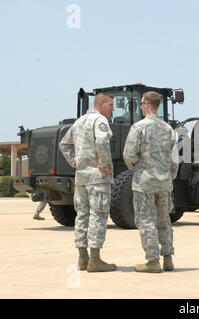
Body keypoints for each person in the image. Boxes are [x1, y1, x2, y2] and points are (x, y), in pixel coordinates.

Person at [59, 92, 117, 272]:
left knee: (82, 214)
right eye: (110, 104)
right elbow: (101, 141)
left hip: (81, 177)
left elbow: (64, 144)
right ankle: (95, 259)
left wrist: (76, 162)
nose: (113, 108)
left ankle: (82, 258)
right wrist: (106, 164)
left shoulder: (79, 122)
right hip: (97, 177)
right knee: (98, 215)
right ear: (101, 104)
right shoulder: (99, 121)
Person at [123, 91, 179, 273]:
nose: (140, 106)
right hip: (164, 183)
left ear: (147, 104)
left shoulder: (138, 127)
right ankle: (168, 258)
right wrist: (169, 177)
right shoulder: (168, 129)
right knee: (164, 221)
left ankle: (153, 261)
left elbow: (128, 155)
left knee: (147, 221)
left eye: (141, 103)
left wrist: (136, 169)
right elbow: (175, 159)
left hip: (144, 182)